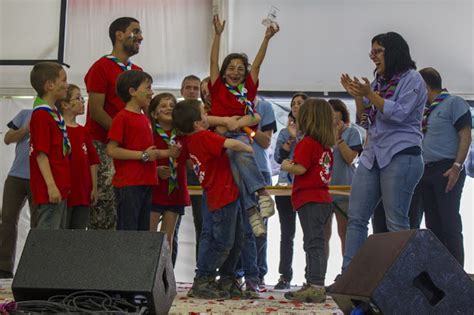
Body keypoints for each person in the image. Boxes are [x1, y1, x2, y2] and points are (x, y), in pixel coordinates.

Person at [339, 32, 426, 271]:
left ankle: (405, 278)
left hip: (401, 154)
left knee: (395, 222)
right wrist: (359, 97)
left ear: (393, 51)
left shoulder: (413, 79)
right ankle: (350, 277)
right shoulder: (379, 83)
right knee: (356, 219)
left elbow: (398, 113)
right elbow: (366, 121)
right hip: (371, 156)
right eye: (372, 51)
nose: (373, 56)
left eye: (377, 51)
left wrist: (369, 94)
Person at [172, 99, 252, 299]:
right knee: (223, 242)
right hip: (221, 195)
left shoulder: (192, 140)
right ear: (197, 124)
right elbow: (230, 143)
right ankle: (204, 278)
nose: (208, 116)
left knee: (235, 238)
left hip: (223, 193)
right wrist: (249, 149)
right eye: (204, 114)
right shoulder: (203, 136)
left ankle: (227, 278)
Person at [208, 15, 279, 236]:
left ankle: (251, 210)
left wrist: (266, 39)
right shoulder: (217, 86)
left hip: (238, 135)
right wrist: (217, 35)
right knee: (239, 162)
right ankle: (261, 195)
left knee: (240, 159)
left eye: (240, 68)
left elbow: (257, 63)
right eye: (231, 67)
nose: (235, 72)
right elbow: (212, 62)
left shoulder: (248, 87)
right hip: (219, 136)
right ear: (224, 71)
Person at [84, 17, 144, 230]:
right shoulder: (101, 67)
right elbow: (96, 111)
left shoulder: (136, 70)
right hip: (102, 145)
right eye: (135, 31)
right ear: (119, 35)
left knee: (126, 206)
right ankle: (99, 259)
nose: (141, 37)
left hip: (128, 150)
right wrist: (123, 136)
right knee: (104, 207)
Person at [410, 67, 471, 266]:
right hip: (425, 170)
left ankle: (457, 277)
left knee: (449, 222)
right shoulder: (425, 111)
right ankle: (438, 273)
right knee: (432, 226)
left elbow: (465, 134)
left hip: (446, 168)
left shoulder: (453, 103)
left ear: (424, 85)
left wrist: (457, 166)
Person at [106, 70, 179, 231]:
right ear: (132, 91)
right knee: (129, 232)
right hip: (129, 184)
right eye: (147, 88)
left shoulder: (145, 118)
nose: (151, 92)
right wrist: (143, 155)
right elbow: (111, 149)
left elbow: (151, 151)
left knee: (142, 233)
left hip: (146, 182)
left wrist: (169, 153)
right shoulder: (122, 117)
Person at [281, 98, 335, 303]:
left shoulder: (307, 143)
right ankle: (313, 282)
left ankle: (315, 285)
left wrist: (286, 165)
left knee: (312, 243)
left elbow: (300, 168)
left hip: (310, 199)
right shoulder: (325, 146)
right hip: (322, 199)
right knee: (317, 242)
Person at [29, 62, 70, 229]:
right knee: (47, 239)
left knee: (55, 240)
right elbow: (41, 154)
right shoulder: (41, 115)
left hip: (60, 185)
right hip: (50, 190)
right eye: (63, 80)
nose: (67, 85)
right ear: (50, 85)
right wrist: (51, 186)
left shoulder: (54, 114)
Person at [148, 92, 190, 254]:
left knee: (167, 239)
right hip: (154, 189)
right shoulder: (149, 133)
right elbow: (142, 160)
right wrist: (155, 170)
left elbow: (189, 162)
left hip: (175, 191)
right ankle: (148, 277)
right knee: (150, 237)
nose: (168, 109)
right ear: (154, 113)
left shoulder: (183, 137)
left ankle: (165, 277)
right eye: (163, 106)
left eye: (172, 106)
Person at [273, 92, 307, 290]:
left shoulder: (313, 131)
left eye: (300, 103)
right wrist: (287, 143)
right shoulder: (284, 133)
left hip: (305, 187)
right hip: (285, 187)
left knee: (309, 235)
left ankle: (311, 277)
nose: (296, 106)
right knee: (287, 234)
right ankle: (284, 275)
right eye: (293, 103)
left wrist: (299, 137)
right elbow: (278, 159)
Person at [57, 84, 100, 229]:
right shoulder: (58, 130)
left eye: (82, 98)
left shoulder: (84, 132)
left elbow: (93, 161)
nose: (83, 101)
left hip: (83, 193)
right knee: (62, 232)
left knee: (78, 234)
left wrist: (94, 187)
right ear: (65, 104)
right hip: (65, 193)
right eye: (78, 98)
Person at [324, 99, 362, 259]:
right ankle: (318, 278)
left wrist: (339, 139)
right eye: (328, 110)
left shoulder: (352, 132)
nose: (331, 114)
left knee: (345, 232)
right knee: (323, 236)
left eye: (335, 110)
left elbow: (351, 158)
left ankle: (347, 273)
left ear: (342, 113)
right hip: (324, 192)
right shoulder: (321, 133)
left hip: (345, 190)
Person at [0, 108, 35, 279]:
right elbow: (7, 138)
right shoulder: (25, 114)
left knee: (38, 226)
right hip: (16, 176)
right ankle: (4, 269)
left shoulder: (57, 116)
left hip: (40, 179)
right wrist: (25, 130)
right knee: (7, 220)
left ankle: (34, 271)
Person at [172, 75, 202, 266]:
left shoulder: (203, 116)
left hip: (199, 171)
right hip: (178, 169)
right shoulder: (173, 114)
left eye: (195, 88)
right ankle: (167, 271)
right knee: (172, 223)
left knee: (202, 223)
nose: (192, 91)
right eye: (188, 87)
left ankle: (202, 272)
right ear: (181, 91)